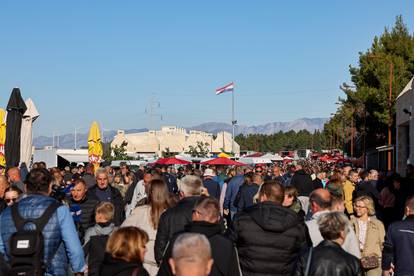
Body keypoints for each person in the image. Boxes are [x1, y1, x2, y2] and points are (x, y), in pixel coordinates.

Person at [0, 168, 86, 275]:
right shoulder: (60, 210)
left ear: (26, 187)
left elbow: (2, 250)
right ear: (50, 187)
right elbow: (74, 249)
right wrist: (79, 270)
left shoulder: (6, 213)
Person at [229, 181, 309, 275]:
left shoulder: (242, 219)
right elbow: (305, 254)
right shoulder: (297, 223)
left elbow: (227, 247)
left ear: (263, 196)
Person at [158, 197, 241, 276]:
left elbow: (164, 272)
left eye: (193, 211)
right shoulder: (226, 245)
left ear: (197, 214)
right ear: (217, 218)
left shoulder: (178, 240)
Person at [122, 179, 175, 276]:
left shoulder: (140, 212)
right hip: (162, 266)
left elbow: (121, 234)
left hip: (145, 265)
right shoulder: (173, 214)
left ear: (150, 193)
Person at [293, 212, 363, 276]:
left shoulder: (305, 256)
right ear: (342, 233)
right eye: (347, 231)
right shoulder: (353, 262)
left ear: (322, 232)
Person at [155, 175, 202, 264]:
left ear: (181, 194)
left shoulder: (169, 214)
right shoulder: (210, 212)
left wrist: (161, 262)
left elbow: (161, 244)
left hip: (176, 263)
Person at [305, 188, 360, 258]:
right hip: (343, 267)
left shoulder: (305, 227)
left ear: (314, 205)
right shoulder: (345, 226)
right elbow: (355, 255)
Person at [350, 196, 385, 276]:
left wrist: (387, 261)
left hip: (374, 262)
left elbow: (383, 243)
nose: (357, 208)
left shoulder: (377, 224)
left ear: (367, 208)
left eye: (360, 207)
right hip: (356, 261)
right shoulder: (350, 223)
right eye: (356, 206)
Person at [382, 195, 414, 276]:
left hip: (402, 272)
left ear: (407, 210)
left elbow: (387, 251)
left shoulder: (395, 227)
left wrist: (385, 269)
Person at [84, 202, 117, 276]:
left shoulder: (91, 232)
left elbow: (84, 253)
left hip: (93, 271)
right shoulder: (117, 232)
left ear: (100, 216)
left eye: (96, 214)